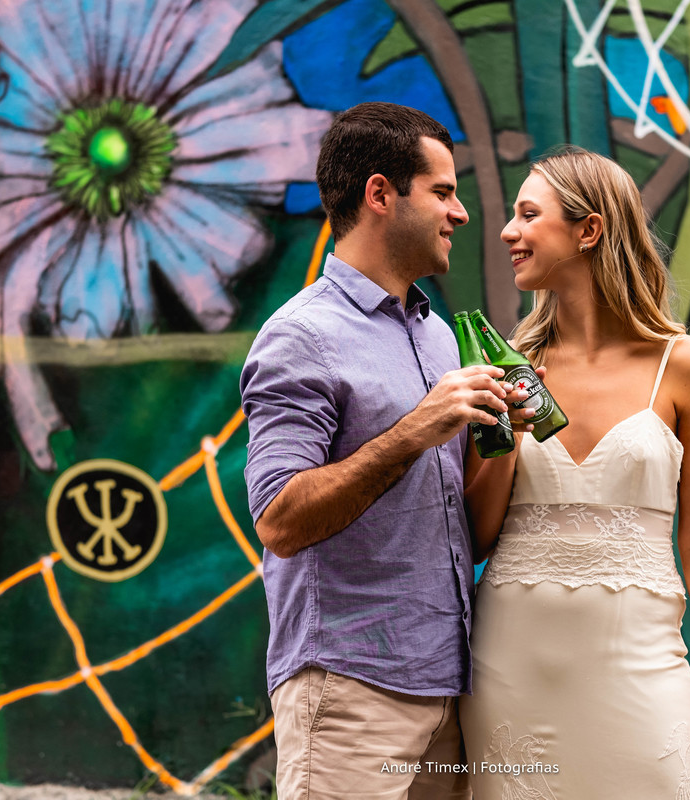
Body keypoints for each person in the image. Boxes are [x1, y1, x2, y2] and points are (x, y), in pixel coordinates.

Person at [240, 102, 515, 799]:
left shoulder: (438, 336)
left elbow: (462, 531)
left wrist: (506, 437)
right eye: (444, 192)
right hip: (347, 692)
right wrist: (413, 431)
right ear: (380, 194)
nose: (461, 214)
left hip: (449, 688)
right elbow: (279, 519)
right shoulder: (298, 337)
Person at [459, 146, 690, 799]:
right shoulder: (504, 367)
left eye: (529, 215)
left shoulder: (688, 366)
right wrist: (505, 435)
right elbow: (475, 536)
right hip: (510, 673)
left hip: (642, 668)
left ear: (588, 230)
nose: (508, 231)